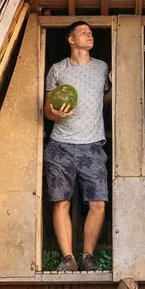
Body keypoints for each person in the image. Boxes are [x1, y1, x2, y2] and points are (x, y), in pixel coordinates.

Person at [43, 20, 109, 272]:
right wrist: (55, 114)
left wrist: (118, 85)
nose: (89, 35)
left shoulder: (102, 68)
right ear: (71, 40)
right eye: (84, 32)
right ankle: (68, 258)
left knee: (98, 203)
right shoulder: (57, 70)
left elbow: (107, 99)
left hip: (92, 145)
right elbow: (47, 110)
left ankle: (88, 256)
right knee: (60, 202)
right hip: (60, 145)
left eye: (91, 32)